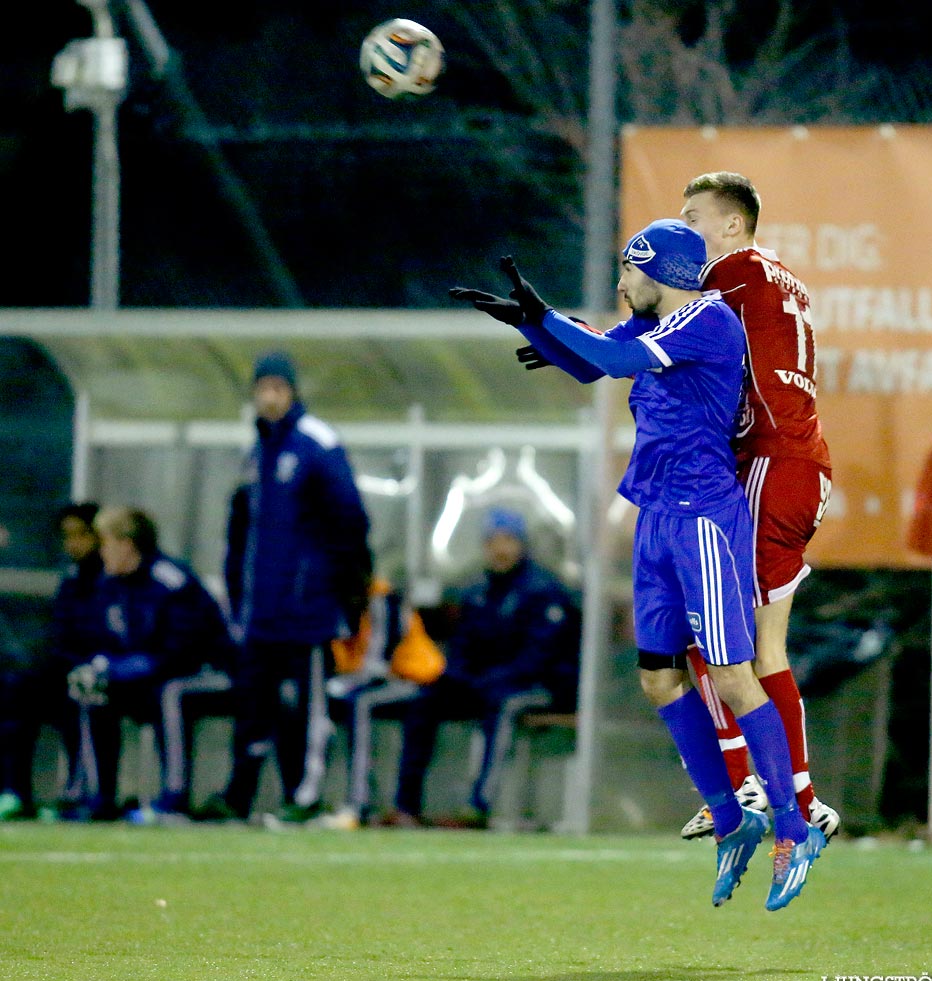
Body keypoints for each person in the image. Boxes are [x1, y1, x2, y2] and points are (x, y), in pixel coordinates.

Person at [451, 219, 825, 911]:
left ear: (663, 276)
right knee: (658, 681)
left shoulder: (708, 323)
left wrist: (544, 316)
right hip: (655, 517)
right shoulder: (653, 321)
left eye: (628, 272)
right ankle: (731, 818)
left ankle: (794, 829)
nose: (620, 285)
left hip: (703, 521)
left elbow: (613, 362)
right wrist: (535, 326)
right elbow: (591, 361)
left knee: (735, 678)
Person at [670, 172, 841, 840]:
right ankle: (778, 789)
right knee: (710, 632)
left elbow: (663, 318)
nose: (682, 231)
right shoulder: (774, 280)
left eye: (692, 218)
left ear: (732, 225)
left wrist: (580, 336)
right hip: (789, 464)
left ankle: (769, 789)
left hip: (776, 462)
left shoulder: (734, 271)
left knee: (743, 642)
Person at [204, 350, 372, 823]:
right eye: (263, 389)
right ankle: (238, 796)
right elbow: (240, 533)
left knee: (306, 707)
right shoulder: (255, 453)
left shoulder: (318, 444)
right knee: (253, 706)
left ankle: (304, 794)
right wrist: (238, 596)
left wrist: (338, 590)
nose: (270, 398)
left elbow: (350, 520)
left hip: (306, 610)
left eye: (279, 388)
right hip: (261, 610)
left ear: (293, 392)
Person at [384, 506, 578, 830]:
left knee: (503, 705)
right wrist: (458, 677)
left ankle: (478, 806)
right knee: (426, 700)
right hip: (485, 682)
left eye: (508, 541)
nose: (500, 549)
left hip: (540, 687)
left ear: (521, 544)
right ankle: (407, 806)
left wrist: (490, 679)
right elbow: (463, 646)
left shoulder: (543, 591)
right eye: (494, 541)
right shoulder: (477, 590)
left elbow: (540, 658)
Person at [64, 506, 232, 821]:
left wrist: (128, 668)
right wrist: (101, 666)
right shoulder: (108, 584)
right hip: (146, 674)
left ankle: (174, 798)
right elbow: (100, 638)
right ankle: (98, 798)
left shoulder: (170, 581)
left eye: (106, 543)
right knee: (92, 691)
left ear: (127, 544)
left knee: (171, 692)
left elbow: (182, 651)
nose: (102, 553)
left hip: (207, 672)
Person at [0, 502, 102, 821]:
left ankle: (82, 793)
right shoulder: (73, 580)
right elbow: (61, 634)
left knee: (82, 697)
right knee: (18, 692)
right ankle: (15, 792)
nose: (73, 544)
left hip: (105, 671)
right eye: (67, 536)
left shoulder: (114, 579)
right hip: (69, 667)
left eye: (82, 535)